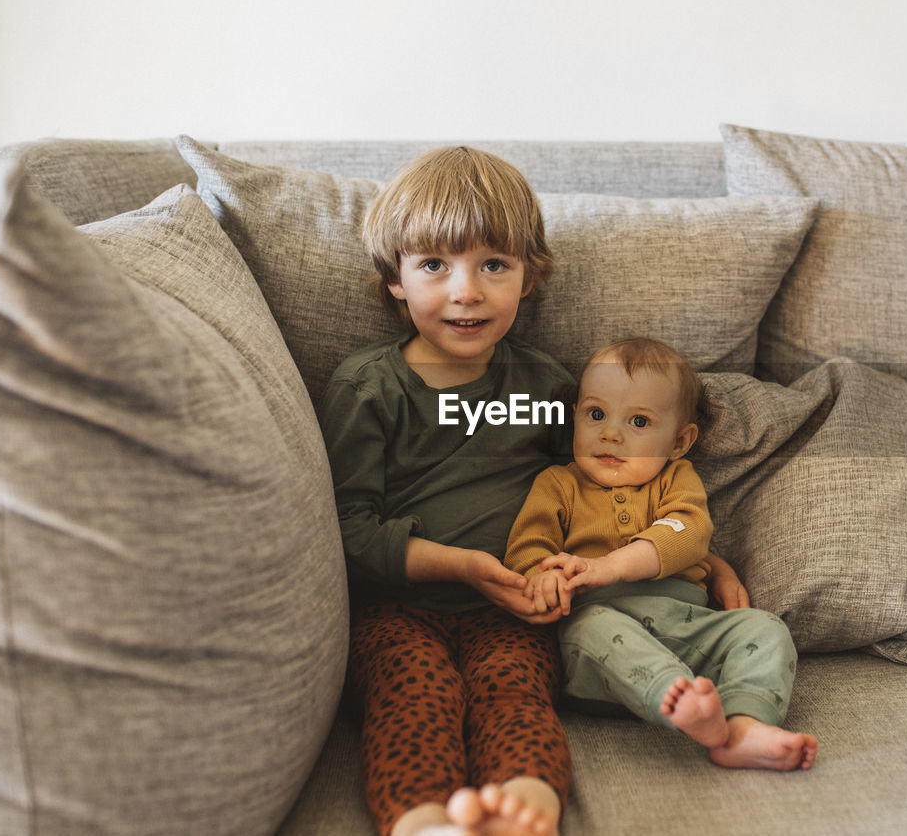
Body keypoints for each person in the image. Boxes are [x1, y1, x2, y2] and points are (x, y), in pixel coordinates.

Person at [319, 149, 752, 836]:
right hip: (398, 610)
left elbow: (600, 495)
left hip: (517, 615)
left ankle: (528, 805)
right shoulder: (368, 388)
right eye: (435, 264)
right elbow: (346, 528)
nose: (467, 290)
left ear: (529, 276)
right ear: (395, 279)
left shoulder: (548, 387)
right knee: (416, 694)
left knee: (516, 696)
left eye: (494, 264)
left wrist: (708, 560)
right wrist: (460, 564)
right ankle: (423, 818)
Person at [505, 338, 818, 773]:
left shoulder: (676, 480)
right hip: (598, 645)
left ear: (679, 441)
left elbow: (689, 534)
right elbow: (527, 546)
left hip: (687, 627)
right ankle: (681, 700)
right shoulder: (558, 484)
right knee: (593, 625)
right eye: (595, 414)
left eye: (638, 421)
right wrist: (542, 576)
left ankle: (743, 726)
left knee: (766, 628)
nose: (610, 433)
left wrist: (613, 565)